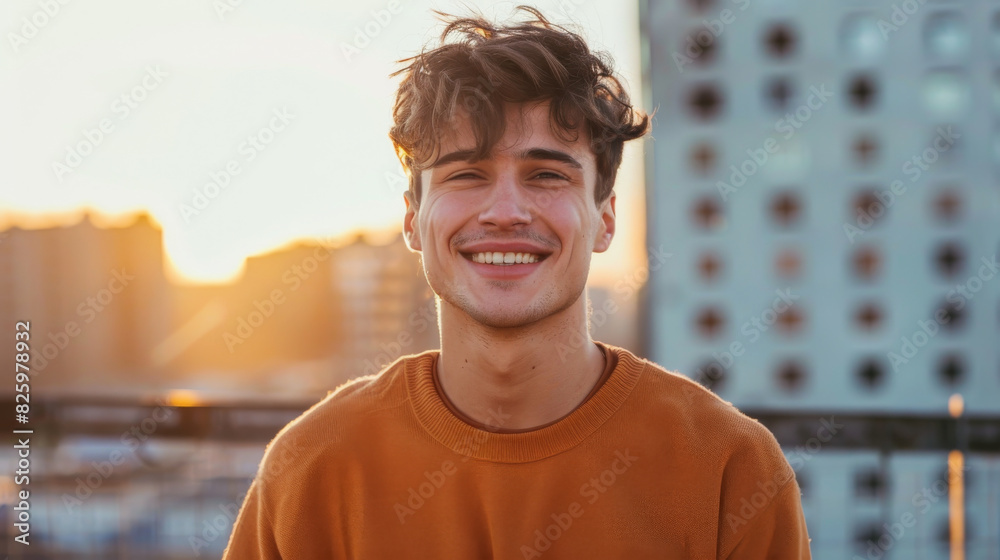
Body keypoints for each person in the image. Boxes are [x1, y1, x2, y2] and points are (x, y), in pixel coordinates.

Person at [223, 6, 811, 558]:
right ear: (412, 219)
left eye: (547, 174)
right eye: (467, 174)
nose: (505, 210)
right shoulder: (313, 468)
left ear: (604, 219)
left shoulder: (731, 470)